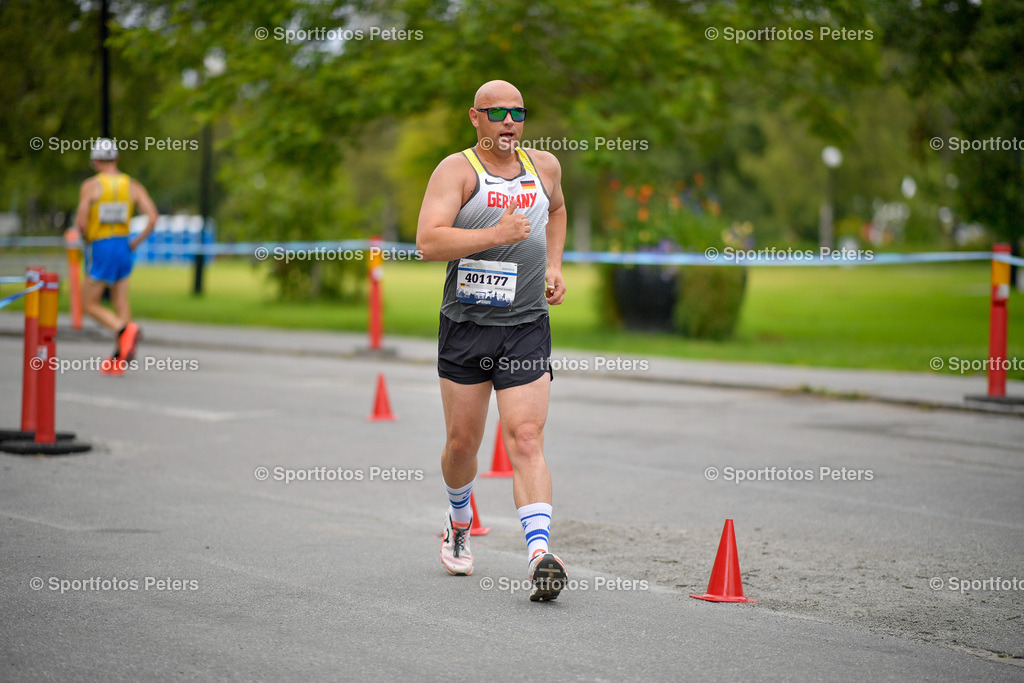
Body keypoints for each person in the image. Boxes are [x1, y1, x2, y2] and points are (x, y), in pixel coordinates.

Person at [416, 80, 568, 601]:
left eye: (518, 112)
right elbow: (428, 242)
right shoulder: (455, 171)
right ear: (475, 118)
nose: (509, 121)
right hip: (466, 325)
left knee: (526, 438)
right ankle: (459, 520)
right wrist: (493, 235)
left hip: (526, 325)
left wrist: (553, 264)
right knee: (463, 444)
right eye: (497, 112)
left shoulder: (544, 167)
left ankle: (540, 555)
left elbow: (558, 210)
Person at [74, 138, 158, 376]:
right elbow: (153, 217)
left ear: (95, 161)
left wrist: (85, 238)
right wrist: (135, 243)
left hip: (101, 245)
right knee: (121, 301)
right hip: (124, 244)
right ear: (117, 159)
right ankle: (119, 358)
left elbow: (81, 222)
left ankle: (125, 330)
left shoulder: (91, 185)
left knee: (88, 303)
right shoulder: (132, 185)